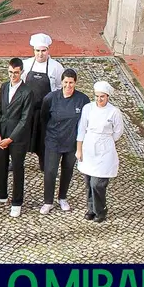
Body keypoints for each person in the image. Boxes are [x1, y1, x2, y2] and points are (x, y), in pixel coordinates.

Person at [0, 58, 34, 217]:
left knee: (17, 169)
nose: (13, 75)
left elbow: (25, 119)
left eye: (16, 73)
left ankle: (17, 202)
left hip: (17, 138)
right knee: (1, 164)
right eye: (11, 72)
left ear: (22, 72)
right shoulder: (4, 86)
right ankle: (0, 193)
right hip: (2, 133)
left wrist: (10, 139)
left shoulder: (27, 92)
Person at [39, 68, 90, 214]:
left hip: (72, 142)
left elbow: (85, 122)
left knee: (67, 170)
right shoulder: (50, 98)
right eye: (66, 82)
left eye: (71, 83)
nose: (68, 86)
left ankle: (62, 197)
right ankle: (48, 201)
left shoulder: (83, 100)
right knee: (50, 171)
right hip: (53, 141)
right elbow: (44, 118)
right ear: (61, 82)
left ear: (75, 83)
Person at [76, 81, 124, 223]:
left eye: (102, 97)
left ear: (107, 97)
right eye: (97, 96)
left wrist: (106, 142)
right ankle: (91, 209)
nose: (99, 99)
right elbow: (81, 128)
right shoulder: (88, 108)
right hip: (89, 146)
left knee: (97, 183)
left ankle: (101, 210)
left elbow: (118, 132)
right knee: (89, 181)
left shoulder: (114, 112)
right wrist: (79, 148)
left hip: (104, 149)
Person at [23, 33, 66, 171]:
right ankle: (18, 160)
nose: (40, 54)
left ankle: (44, 164)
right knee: (23, 135)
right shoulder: (26, 64)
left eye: (43, 51)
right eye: (37, 51)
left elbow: (60, 88)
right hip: (28, 108)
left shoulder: (56, 67)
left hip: (46, 110)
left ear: (48, 51)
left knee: (44, 138)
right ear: (33, 50)